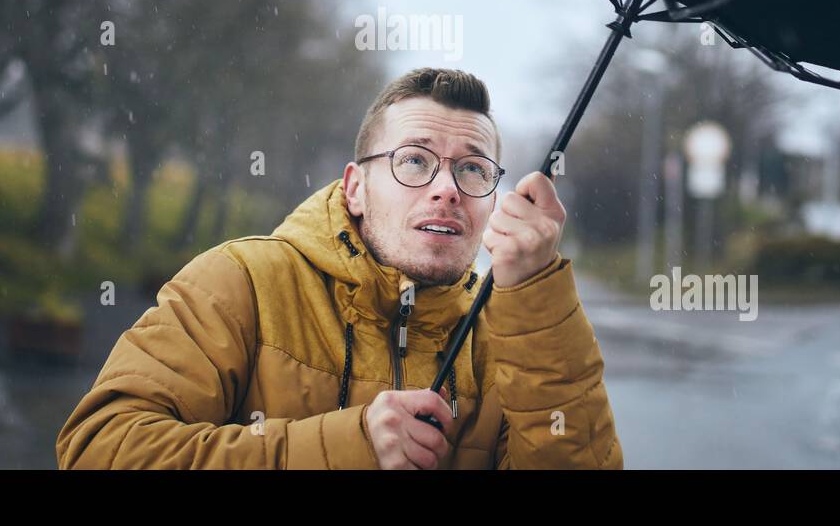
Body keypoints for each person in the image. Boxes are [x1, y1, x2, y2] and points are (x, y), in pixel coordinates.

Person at [56, 67, 623, 469]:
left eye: (473, 170)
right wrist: (350, 448)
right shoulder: (240, 283)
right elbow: (100, 450)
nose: (447, 190)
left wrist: (535, 297)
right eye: (415, 161)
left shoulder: (515, 333)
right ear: (355, 188)